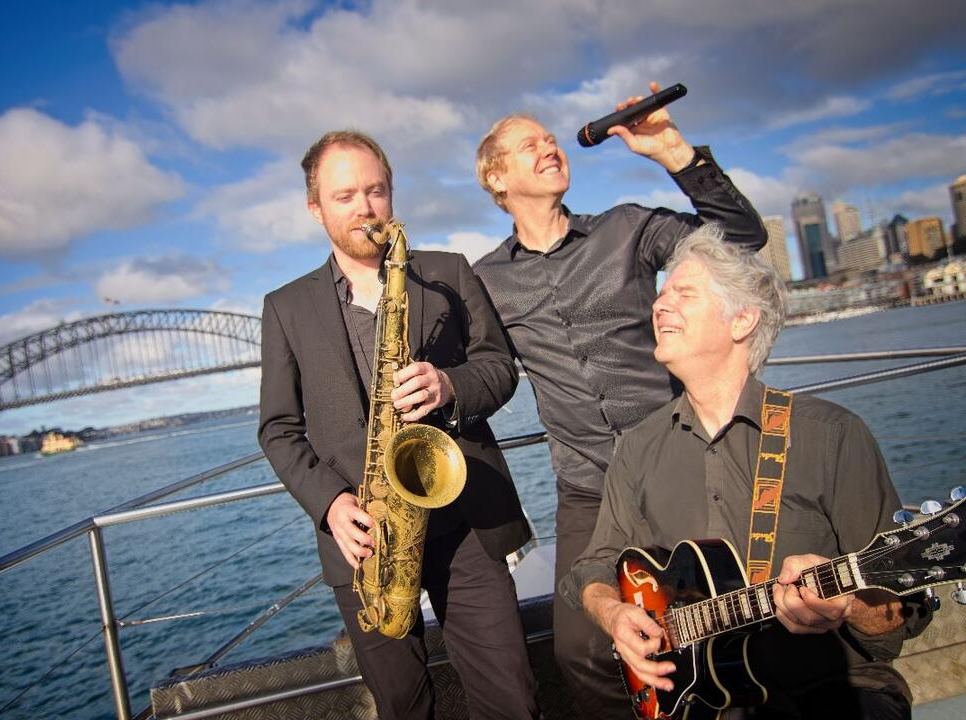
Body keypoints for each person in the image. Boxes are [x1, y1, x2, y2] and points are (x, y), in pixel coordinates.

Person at [472, 81, 767, 717]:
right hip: (586, 492)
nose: (550, 146)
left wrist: (673, 151)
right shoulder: (484, 282)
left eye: (551, 139)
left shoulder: (628, 228)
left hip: (678, 463)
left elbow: (743, 240)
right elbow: (478, 368)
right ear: (496, 179)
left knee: (714, 624)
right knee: (579, 651)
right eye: (530, 145)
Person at [566, 224, 918, 718]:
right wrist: (614, 613)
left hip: (833, 688)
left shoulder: (832, 435)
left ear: (742, 321)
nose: (659, 305)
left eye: (682, 293)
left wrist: (849, 606)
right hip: (698, 700)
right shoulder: (637, 449)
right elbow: (595, 563)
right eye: (661, 293)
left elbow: (894, 620)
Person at [258, 129, 539, 720]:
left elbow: (500, 368)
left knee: (511, 698)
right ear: (315, 208)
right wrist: (332, 504)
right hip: (365, 539)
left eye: (375, 190)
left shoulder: (447, 272)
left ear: (391, 194)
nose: (364, 208)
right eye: (344, 196)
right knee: (403, 707)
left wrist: (449, 384)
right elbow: (279, 429)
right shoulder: (285, 308)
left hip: (466, 520)